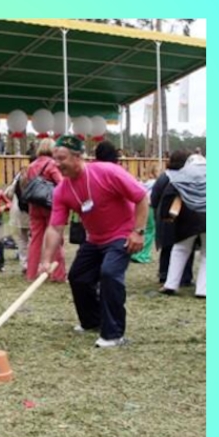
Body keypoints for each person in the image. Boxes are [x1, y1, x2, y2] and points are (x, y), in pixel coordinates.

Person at [40, 135, 148, 348]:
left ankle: (113, 334)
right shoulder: (62, 190)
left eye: (62, 158)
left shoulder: (107, 172)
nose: (57, 164)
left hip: (121, 234)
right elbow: (55, 227)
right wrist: (45, 260)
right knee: (78, 277)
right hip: (95, 238)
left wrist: (138, 232)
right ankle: (92, 321)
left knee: (109, 274)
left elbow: (142, 197)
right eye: (55, 159)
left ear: (78, 156)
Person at [159, 154, 206, 298]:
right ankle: (203, 290)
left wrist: (165, 215)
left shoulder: (182, 173)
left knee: (180, 249)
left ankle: (171, 284)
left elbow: (169, 194)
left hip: (187, 217)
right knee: (208, 254)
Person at [150, 149, 194, 286]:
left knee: (167, 246)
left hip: (165, 217)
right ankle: (184, 277)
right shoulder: (188, 177)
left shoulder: (164, 177)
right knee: (186, 248)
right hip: (184, 218)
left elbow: (154, 198)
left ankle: (164, 274)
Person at [25, 138, 67, 283]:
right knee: (55, 239)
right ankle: (58, 274)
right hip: (51, 206)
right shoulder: (52, 165)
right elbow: (61, 184)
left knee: (35, 240)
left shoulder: (31, 166)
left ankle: (31, 272)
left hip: (34, 206)